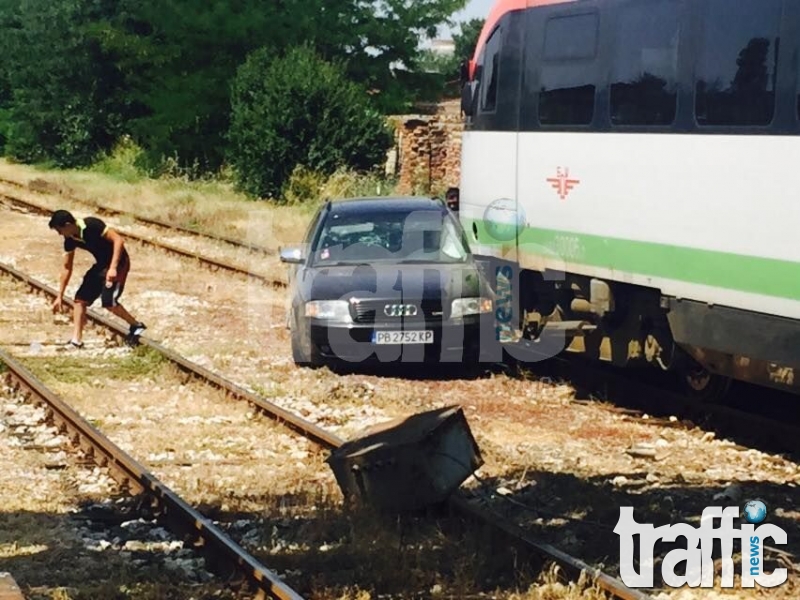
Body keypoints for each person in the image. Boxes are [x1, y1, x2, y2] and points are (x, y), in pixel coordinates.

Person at [48, 209, 147, 348]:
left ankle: (136, 325)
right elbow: (67, 268)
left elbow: (118, 240)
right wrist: (60, 296)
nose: (59, 234)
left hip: (119, 262)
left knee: (108, 301)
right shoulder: (70, 240)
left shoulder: (91, 225)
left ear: (68, 224)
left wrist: (113, 268)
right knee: (80, 299)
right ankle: (76, 340)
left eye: (59, 230)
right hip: (101, 265)